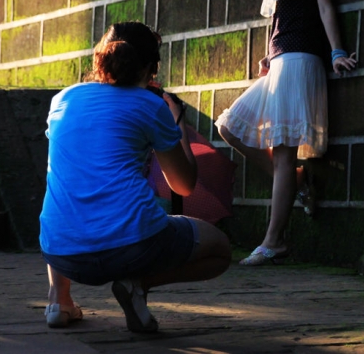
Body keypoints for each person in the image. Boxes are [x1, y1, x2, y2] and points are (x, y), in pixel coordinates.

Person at [39, 22, 232, 332]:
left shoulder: (63, 99)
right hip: (132, 248)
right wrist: (177, 125)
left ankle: (58, 301)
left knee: (67, 184)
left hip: (62, 252)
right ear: (150, 69)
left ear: (98, 59)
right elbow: (183, 186)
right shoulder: (151, 105)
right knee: (220, 249)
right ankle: (138, 284)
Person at [216, 0, 357, 266]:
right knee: (229, 126)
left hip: (300, 63)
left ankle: (274, 239)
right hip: (279, 63)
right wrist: (268, 55)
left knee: (281, 151)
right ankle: (295, 180)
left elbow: (326, 9)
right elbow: (279, 18)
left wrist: (337, 52)